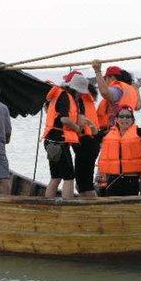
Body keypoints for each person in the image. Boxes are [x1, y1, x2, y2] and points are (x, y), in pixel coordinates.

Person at [97, 95, 141, 197]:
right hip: (112, 179)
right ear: (116, 119)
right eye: (121, 116)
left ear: (132, 119)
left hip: (131, 179)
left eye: (128, 116)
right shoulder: (107, 134)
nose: (124, 119)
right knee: (112, 208)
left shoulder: (139, 132)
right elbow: (92, 137)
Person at [43, 72, 92, 200]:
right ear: (77, 90)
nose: (81, 95)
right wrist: (77, 128)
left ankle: (48, 203)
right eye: (81, 93)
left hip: (50, 141)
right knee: (69, 177)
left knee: (56, 176)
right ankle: (68, 206)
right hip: (59, 142)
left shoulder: (60, 94)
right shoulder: (66, 97)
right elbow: (64, 119)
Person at [68, 71, 100, 197]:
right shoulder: (87, 99)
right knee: (82, 184)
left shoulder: (79, 101)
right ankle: (88, 209)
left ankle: (94, 211)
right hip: (89, 142)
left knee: (85, 185)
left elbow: (80, 124)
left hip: (86, 143)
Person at [91, 60, 141, 130]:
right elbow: (138, 107)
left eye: (105, 78)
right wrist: (136, 90)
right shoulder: (130, 90)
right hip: (125, 129)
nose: (105, 81)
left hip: (114, 131)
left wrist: (98, 71)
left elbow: (104, 92)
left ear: (112, 78)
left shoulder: (117, 89)